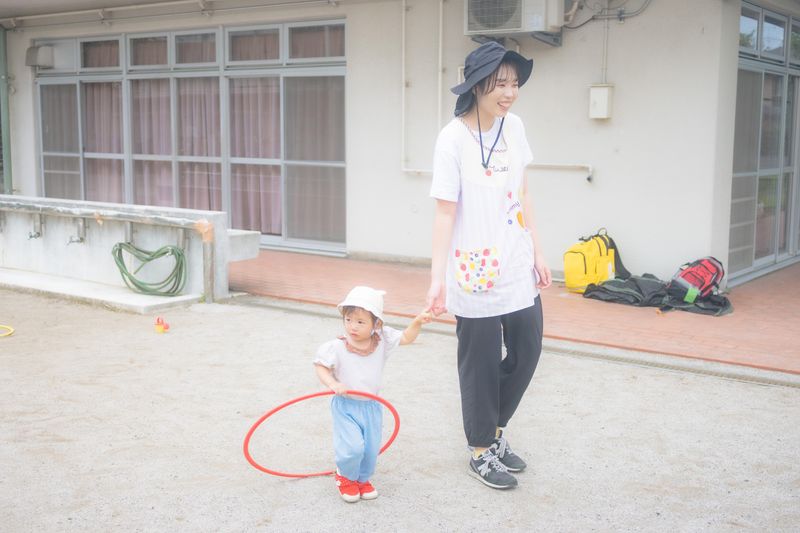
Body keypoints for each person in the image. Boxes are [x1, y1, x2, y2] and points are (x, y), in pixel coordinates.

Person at [426, 41, 552, 490]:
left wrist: (537, 249)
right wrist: (436, 279)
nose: (510, 92)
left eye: (515, 83)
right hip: (472, 265)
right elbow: (444, 212)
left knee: (528, 349)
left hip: (515, 259)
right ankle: (481, 447)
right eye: (501, 83)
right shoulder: (452, 138)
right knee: (478, 363)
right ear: (478, 85)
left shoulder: (514, 127)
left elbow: (524, 192)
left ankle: (493, 430)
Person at [313, 285, 431, 503]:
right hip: (346, 405)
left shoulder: (382, 340)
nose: (352, 327)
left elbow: (406, 338)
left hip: (371, 407)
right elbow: (320, 365)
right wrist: (332, 383)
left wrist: (417, 323)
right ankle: (345, 476)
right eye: (348, 320)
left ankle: (362, 479)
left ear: (376, 323)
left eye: (360, 321)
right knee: (352, 447)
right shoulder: (337, 347)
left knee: (369, 449)